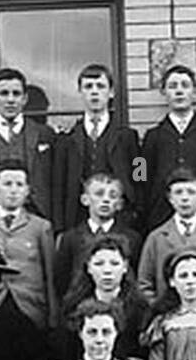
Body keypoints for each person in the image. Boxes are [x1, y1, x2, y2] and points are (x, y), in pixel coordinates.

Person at [0, 161, 59, 331]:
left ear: (28, 190)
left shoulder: (41, 227)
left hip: (30, 307)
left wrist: (53, 318)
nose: (13, 190)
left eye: (19, 185)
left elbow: (50, 276)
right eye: (7, 184)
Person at [53, 64, 141, 234]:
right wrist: (60, 227)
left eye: (100, 86)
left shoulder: (129, 137)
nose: (94, 92)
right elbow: (58, 185)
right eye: (88, 87)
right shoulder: (66, 140)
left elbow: (141, 175)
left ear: (111, 92)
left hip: (119, 217)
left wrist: (137, 208)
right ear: (80, 91)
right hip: (77, 218)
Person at [0, 67, 57, 223]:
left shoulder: (45, 135)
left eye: (16, 93)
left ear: (24, 99)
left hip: (36, 222)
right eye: (4, 93)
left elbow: (56, 183)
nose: (10, 100)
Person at [141, 64, 196, 229]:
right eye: (172, 86)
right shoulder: (152, 136)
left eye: (185, 86)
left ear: (194, 91)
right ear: (163, 92)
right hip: (161, 217)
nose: (179, 91)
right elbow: (140, 176)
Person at [136, 168, 196, 306]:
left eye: (191, 192)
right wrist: (158, 308)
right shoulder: (156, 238)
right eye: (178, 192)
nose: (184, 198)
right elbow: (144, 284)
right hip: (170, 314)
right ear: (170, 198)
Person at [54, 233, 150, 360]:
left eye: (114, 263)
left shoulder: (140, 308)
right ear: (88, 267)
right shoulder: (73, 307)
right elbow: (66, 355)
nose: (107, 271)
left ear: (125, 267)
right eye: (99, 264)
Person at [52, 173, 142, 302]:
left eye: (113, 196)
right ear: (85, 199)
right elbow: (61, 280)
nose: (105, 200)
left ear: (120, 204)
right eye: (99, 194)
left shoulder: (132, 238)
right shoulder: (70, 238)